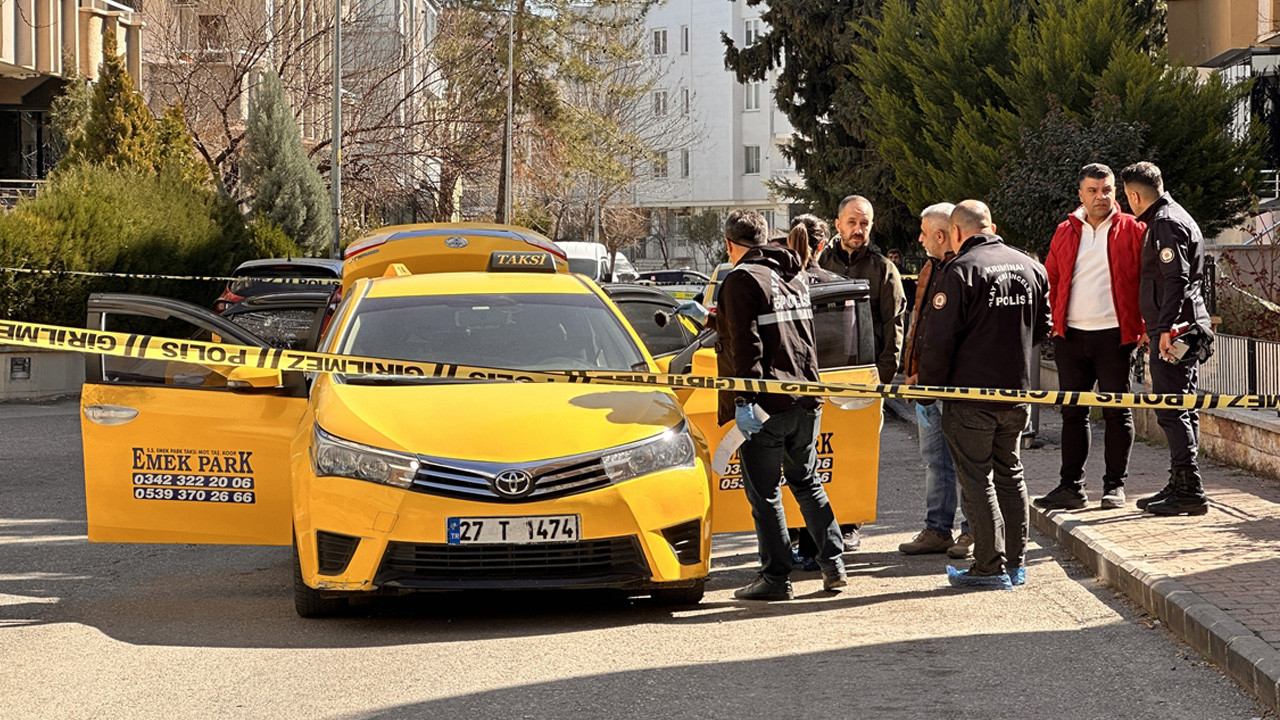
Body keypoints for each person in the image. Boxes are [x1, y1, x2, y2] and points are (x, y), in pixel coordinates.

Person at [716, 209, 847, 600]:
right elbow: (784, 332)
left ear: (729, 244)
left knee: (765, 492)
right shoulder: (793, 273)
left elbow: (747, 345)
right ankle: (834, 565)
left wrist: (743, 400)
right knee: (806, 481)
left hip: (766, 404)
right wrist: (711, 319)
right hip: (805, 398)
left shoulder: (741, 278)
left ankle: (775, 578)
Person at [919, 200, 1051, 590]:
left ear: (956, 232)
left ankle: (989, 566)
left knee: (977, 479)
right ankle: (1016, 563)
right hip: (1016, 393)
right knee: (1010, 472)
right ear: (990, 226)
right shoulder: (1031, 266)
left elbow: (939, 341)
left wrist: (927, 389)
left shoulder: (960, 270)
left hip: (970, 397)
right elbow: (1043, 328)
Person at [1035, 163, 1146, 511]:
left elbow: (1147, 280)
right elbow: (1051, 279)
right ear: (1081, 194)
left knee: (1117, 413)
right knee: (1073, 413)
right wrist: (1053, 324)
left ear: (1116, 192)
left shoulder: (1134, 229)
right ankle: (1071, 487)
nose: (1101, 196)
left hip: (1115, 336)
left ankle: (1114, 487)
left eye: (1107, 189)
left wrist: (1144, 327)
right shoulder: (1064, 231)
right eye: (1093, 190)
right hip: (1070, 336)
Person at [1120, 162, 1212, 516]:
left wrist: (1163, 329)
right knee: (1182, 406)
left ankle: (1189, 488)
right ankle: (1182, 481)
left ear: (1134, 195)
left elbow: (1176, 279)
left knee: (1172, 408)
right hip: (1185, 326)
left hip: (1176, 331)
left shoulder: (1164, 223)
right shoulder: (1175, 216)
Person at [898, 202, 972, 559]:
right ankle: (937, 529)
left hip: (956, 387)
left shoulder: (966, 271)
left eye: (924, 233)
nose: (919, 239)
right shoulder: (930, 268)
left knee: (967, 463)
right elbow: (921, 323)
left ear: (941, 236)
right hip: (926, 384)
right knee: (934, 458)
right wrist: (914, 370)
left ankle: (972, 531)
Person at [818, 195, 907, 384]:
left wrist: (883, 376)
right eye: (851, 222)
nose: (858, 230)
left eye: (864, 223)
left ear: (871, 226)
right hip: (823, 372)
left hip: (868, 373)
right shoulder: (820, 264)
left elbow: (894, 324)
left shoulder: (884, 269)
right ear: (838, 224)